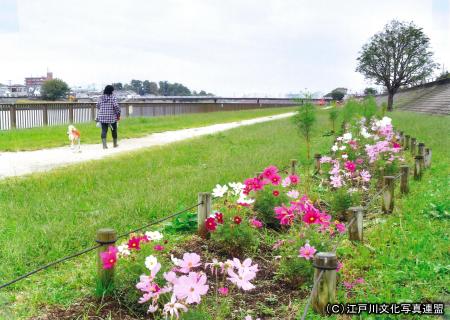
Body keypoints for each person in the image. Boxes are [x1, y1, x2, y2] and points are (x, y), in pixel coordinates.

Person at [96, 85, 121, 149]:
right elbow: (116, 106)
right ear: (111, 91)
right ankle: (115, 144)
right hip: (111, 117)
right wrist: (118, 112)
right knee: (114, 130)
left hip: (102, 117)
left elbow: (98, 106)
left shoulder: (100, 97)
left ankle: (104, 146)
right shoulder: (113, 97)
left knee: (104, 130)